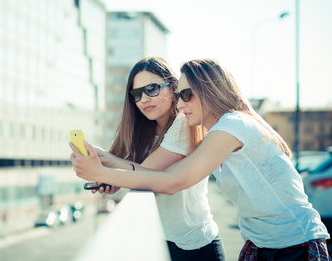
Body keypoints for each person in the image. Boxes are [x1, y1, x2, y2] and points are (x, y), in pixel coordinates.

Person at [70, 58, 331, 261]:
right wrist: (108, 165)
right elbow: (164, 177)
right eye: (179, 96)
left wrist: (103, 171)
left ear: (210, 90)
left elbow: (172, 181)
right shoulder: (216, 131)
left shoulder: (232, 125)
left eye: (186, 95)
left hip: (295, 245)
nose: (180, 105)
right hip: (260, 245)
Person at [82, 57, 226, 260]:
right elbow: (136, 176)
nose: (143, 99)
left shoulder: (185, 123)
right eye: (136, 94)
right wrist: (113, 178)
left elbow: (147, 172)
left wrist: (106, 164)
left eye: (151, 89)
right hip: (157, 241)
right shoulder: (140, 131)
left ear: (173, 87)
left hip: (194, 247)